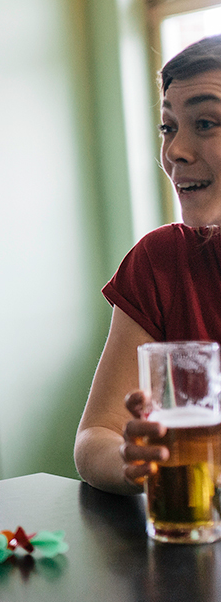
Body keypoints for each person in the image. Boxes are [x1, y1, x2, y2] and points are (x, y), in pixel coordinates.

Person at [75, 34, 221, 494]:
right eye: (168, 127)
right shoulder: (160, 263)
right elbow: (95, 436)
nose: (175, 150)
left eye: (206, 123)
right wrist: (129, 458)